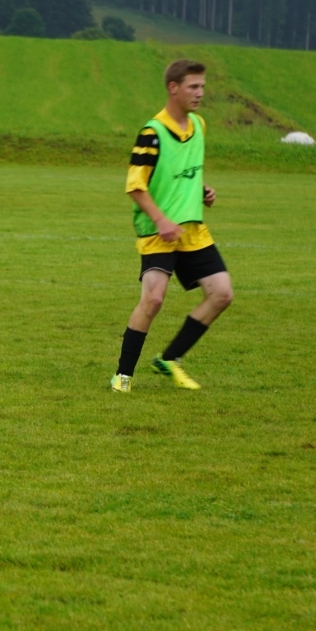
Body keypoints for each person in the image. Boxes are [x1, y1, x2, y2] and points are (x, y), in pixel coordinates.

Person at [110, 59, 233, 393]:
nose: (200, 93)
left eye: (202, 86)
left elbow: (183, 171)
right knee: (153, 299)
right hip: (157, 232)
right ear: (173, 88)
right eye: (194, 86)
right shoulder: (152, 133)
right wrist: (161, 219)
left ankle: (170, 359)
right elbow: (136, 186)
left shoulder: (198, 125)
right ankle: (123, 376)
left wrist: (202, 190)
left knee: (222, 293)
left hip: (191, 230)